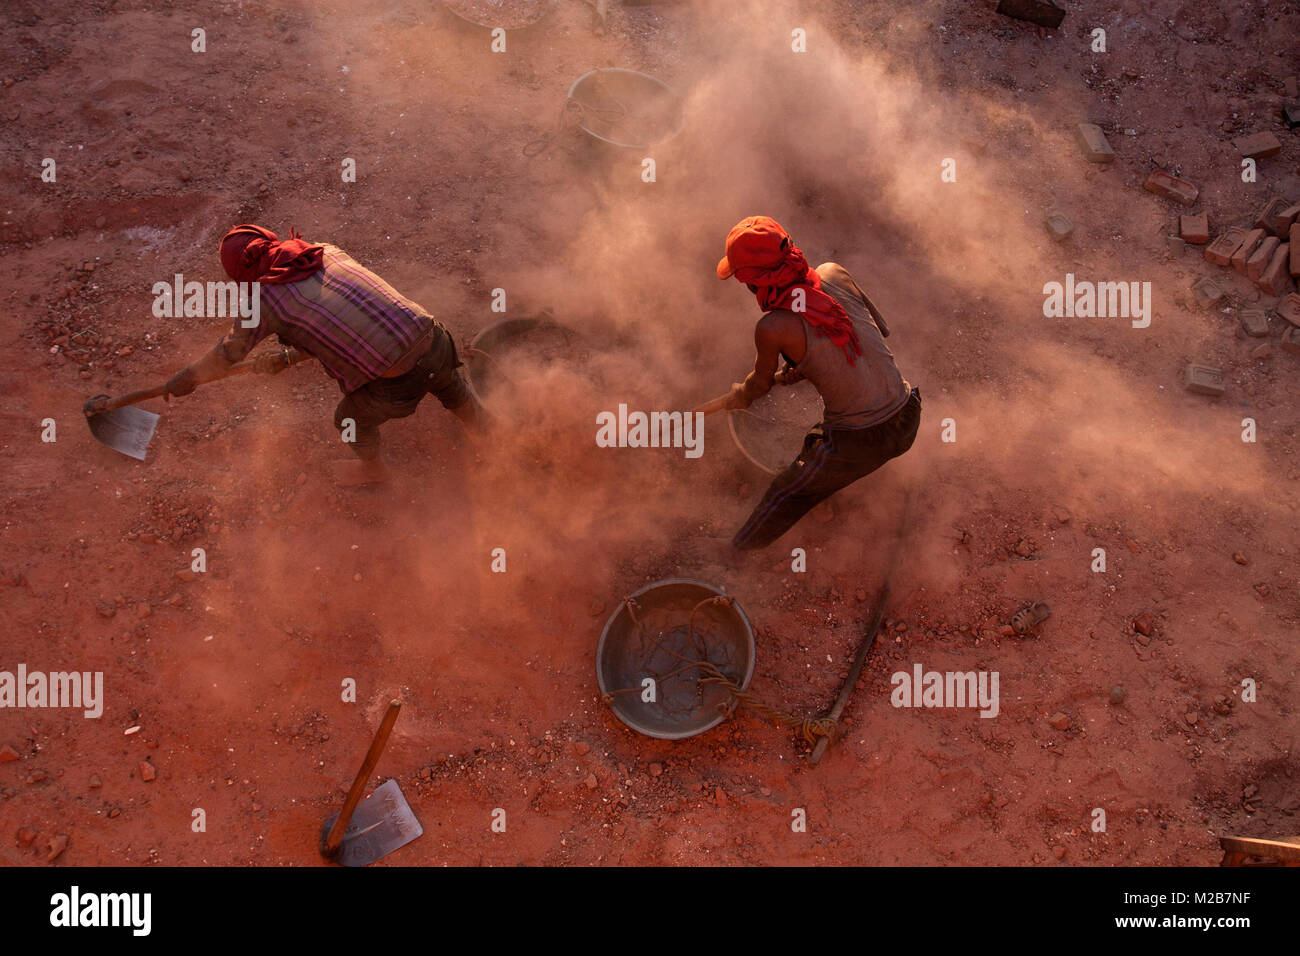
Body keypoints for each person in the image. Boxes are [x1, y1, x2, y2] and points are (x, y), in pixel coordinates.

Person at [163, 224, 484, 484]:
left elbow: (229, 353)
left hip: (399, 383)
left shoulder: (262, 301)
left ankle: (374, 474)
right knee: (447, 381)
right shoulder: (324, 251)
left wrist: (187, 378)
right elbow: (342, 318)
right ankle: (488, 431)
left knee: (348, 420)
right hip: (436, 340)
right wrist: (288, 354)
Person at [717, 215, 921, 549]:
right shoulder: (835, 272)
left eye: (744, 281)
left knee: (786, 492)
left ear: (755, 282)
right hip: (909, 410)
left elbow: (759, 386)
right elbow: (871, 333)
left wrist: (741, 394)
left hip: (864, 441)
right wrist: (808, 364)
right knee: (817, 441)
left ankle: (733, 553)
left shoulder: (773, 328)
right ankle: (838, 476)